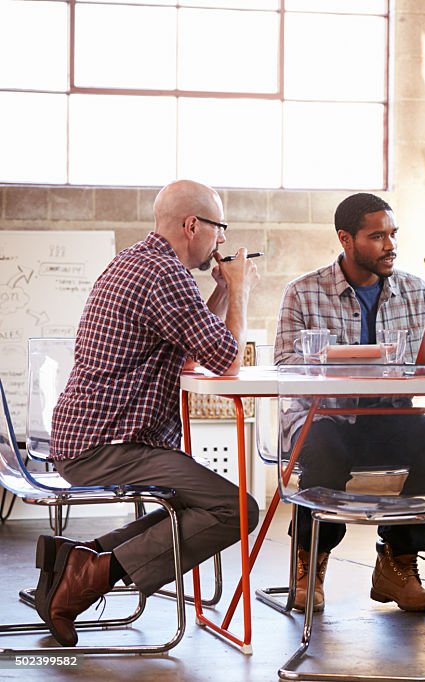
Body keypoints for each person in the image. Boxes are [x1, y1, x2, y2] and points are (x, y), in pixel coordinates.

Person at [40, 179, 260, 647]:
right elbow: (227, 359)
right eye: (219, 228)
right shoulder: (165, 274)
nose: (221, 239)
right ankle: (87, 578)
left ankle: (80, 557)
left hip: (90, 438)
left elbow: (189, 349)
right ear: (192, 225)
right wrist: (239, 290)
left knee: (193, 503)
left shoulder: (138, 260)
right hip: (109, 446)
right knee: (235, 509)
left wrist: (220, 291)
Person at [275, 192, 425, 613]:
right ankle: (310, 561)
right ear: (346, 239)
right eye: (377, 236)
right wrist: (344, 367)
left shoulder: (414, 291)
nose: (390, 245)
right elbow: (286, 368)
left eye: (393, 234)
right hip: (322, 418)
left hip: (388, 415)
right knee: (324, 448)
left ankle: (398, 561)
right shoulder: (303, 293)